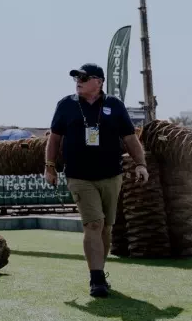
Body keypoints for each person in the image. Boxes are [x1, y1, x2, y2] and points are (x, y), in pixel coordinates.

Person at [44, 63, 148, 299]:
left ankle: (100, 270)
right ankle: (97, 279)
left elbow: (130, 138)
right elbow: (54, 139)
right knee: (93, 224)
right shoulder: (66, 105)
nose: (77, 81)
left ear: (99, 82)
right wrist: (50, 167)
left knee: (106, 228)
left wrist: (141, 164)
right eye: (76, 78)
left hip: (112, 175)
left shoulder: (114, 105)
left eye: (83, 77)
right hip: (79, 176)